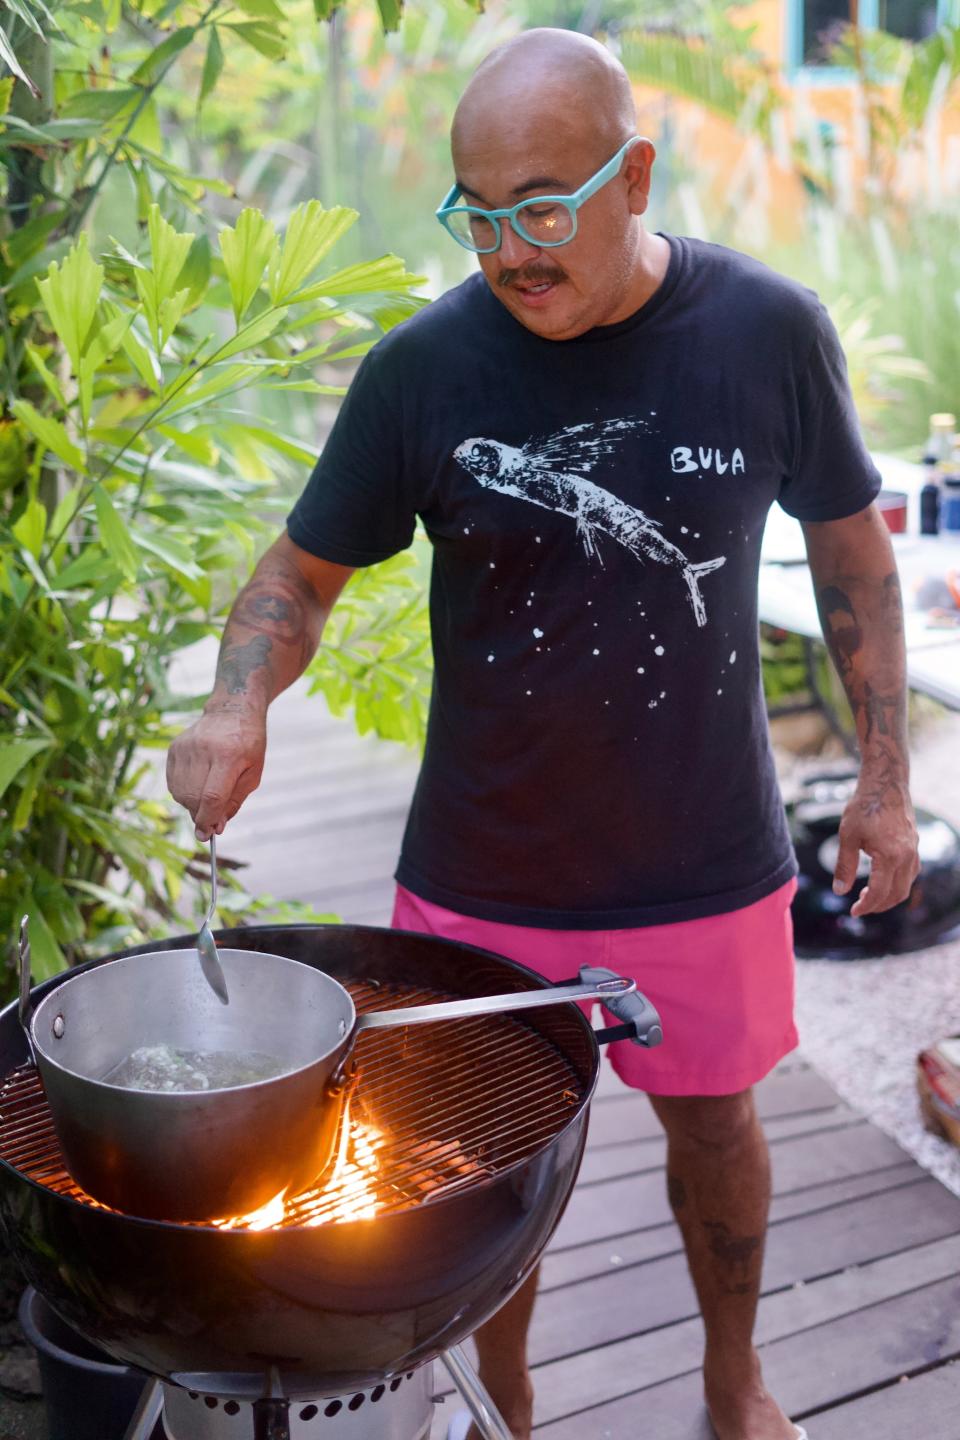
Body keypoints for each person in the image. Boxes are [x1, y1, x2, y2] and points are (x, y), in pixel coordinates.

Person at [166, 27, 921, 1440]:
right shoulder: (423, 370)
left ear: (635, 172)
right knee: (478, 1166)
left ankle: (731, 1377)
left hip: (708, 857)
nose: (510, 248)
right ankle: (500, 1399)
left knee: (719, 1128)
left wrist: (882, 785)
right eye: (479, 212)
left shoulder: (767, 331)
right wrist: (233, 702)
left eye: (544, 206)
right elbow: (299, 575)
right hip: (483, 870)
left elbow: (851, 559)